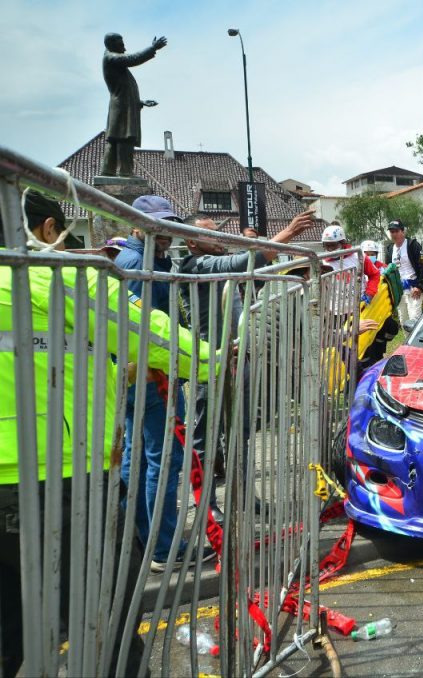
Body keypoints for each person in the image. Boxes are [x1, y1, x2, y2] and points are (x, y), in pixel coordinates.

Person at [0, 190, 212, 675]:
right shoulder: (55, 277)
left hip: (54, 470)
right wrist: (214, 361)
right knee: (106, 621)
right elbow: (153, 334)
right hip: (61, 478)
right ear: (46, 230)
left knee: (10, 631)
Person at [180, 209, 316, 512]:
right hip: (208, 365)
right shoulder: (197, 264)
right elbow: (246, 260)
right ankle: (205, 505)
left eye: (219, 231)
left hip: (235, 361)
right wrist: (290, 232)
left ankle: (242, 496)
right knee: (206, 438)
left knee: (238, 433)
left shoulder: (215, 263)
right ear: (191, 242)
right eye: (209, 233)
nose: (219, 238)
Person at [115, 195, 204, 571]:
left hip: (144, 377)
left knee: (137, 458)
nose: (165, 233)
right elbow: (145, 330)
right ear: (137, 224)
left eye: (168, 224)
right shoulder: (138, 263)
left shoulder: (138, 259)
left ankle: (139, 536)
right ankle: (164, 547)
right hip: (153, 378)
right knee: (165, 460)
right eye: (157, 225)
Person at [100, 33, 167, 177]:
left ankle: (108, 170)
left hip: (123, 106)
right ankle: (125, 171)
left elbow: (124, 88)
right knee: (125, 138)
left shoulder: (115, 62)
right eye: (120, 42)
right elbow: (133, 59)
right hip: (122, 107)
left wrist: (140, 102)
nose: (124, 45)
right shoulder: (111, 58)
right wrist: (152, 48)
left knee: (115, 139)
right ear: (111, 43)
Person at [383, 220, 423, 325]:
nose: (394, 234)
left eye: (396, 231)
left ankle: (415, 341)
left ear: (403, 231)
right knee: (403, 320)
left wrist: (420, 286)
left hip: (414, 288)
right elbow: (387, 271)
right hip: (399, 290)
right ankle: (406, 342)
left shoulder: (413, 245)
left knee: (414, 320)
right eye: (391, 231)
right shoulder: (390, 249)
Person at [321, 224, 380, 301]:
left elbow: (374, 274)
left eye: (333, 245)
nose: (330, 249)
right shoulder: (323, 263)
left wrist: (370, 293)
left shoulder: (358, 256)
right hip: (336, 309)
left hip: (359, 305)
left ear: (342, 243)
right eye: (326, 246)